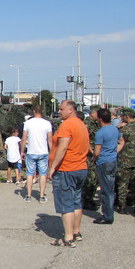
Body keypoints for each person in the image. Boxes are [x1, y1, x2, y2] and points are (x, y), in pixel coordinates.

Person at [47, 100, 90, 247]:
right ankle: (76, 231)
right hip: (80, 168)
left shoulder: (67, 125)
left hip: (67, 169)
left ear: (70, 110)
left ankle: (68, 237)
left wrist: (53, 167)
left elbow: (63, 147)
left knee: (66, 204)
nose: (59, 111)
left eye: (61, 109)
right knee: (76, 201)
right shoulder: (81, 124)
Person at [92, 107, 121, 224]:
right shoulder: (114, 130)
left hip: (103, 162)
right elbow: (122, 142)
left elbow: (97, 151)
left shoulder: (100, 133)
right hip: (113, 161)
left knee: (106, 190)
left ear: (100, 119)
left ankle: (108, 215)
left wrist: (94, 159)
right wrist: (114, 152)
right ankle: (109, 213)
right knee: (110, 188)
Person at [115, 110, 135, 217]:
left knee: (123, 184)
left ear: (127, 116)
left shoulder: (124, 130)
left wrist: (118, 127)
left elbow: (117, 142)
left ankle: (122, 207)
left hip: (124, 160)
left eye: (123, 116)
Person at [20, 105, 52, 202]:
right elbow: (50, 140)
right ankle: (41, 196)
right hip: (43, 152)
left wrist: (22, 151)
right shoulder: (47, 123)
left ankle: (29, 195)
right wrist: (52, 152)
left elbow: (24, 138)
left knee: (29, 173)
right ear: (42, 111)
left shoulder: (28, 123)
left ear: (34, 111)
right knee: (43, 174)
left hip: (31, 151)